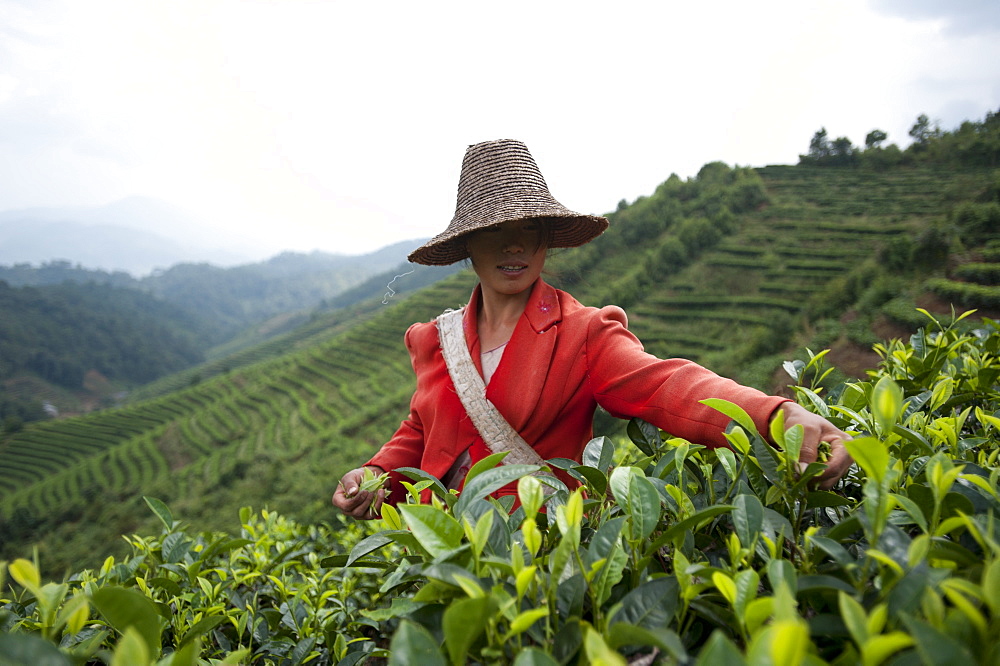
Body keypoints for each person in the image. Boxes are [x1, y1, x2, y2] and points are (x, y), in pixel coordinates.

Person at [333, 139, 852, 520]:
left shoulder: (583, 334)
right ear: (469, 243)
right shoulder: (433, 340)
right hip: (441, 554)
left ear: (546, 241)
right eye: (496, 231)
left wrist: (775, 417)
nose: (515, 247)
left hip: (539, 555)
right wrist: (374, 476)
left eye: (528, 231)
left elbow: (669, 387)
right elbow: (422, 433)